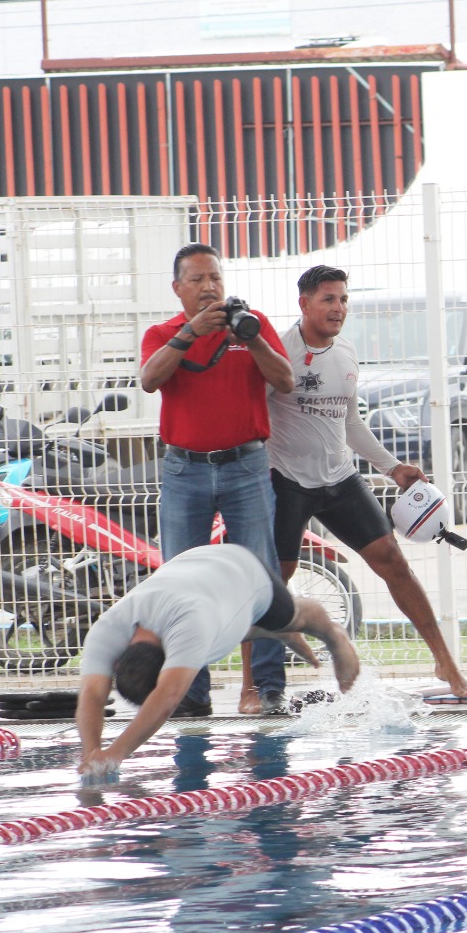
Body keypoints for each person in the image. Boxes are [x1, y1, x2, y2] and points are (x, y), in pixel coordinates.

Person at [250, 266, 467, 709]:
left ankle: (445, 661)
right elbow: (252, 415)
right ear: (304, 304)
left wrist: (393, 468)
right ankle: (256, 686)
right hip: (287, 481)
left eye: (343, 300)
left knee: (393, 561)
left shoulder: (347, 352)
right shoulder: (278, 351)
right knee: (273, 581)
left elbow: (350, 422)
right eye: (329, 299)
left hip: (339, 478)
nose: (339, 308)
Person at [140, 243, 294, 716]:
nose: (210, 288)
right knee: (184, 581)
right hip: (185, 469)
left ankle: (266, 688)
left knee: (259, 577)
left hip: (246, 466)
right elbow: (149, 380)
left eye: (217, 279)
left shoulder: (254, 325)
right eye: (199, 280)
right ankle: (191, 694)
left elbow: (285, 380)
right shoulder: (163, 333)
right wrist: (190, 333)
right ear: (177, 288)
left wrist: (251, 338)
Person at [74, 543, 360, 779]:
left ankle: (321, 633)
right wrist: (91, 755)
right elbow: (91, 695)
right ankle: (279, 633)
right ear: (117, 661)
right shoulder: (106, 631)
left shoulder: (188, 628)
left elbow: (168, 697)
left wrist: (115, 754)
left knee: (291, 617)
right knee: (222, 625)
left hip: (244, 573)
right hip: (195, 567)